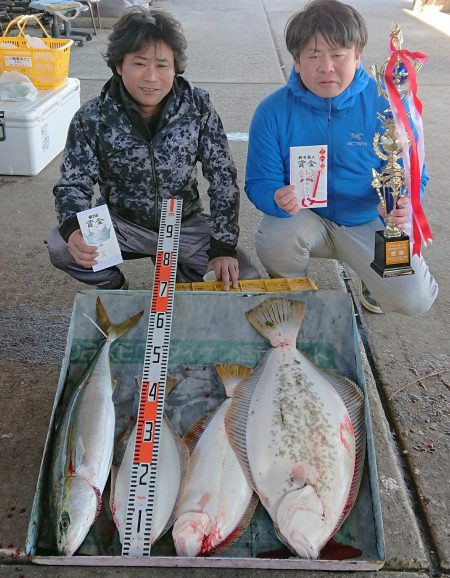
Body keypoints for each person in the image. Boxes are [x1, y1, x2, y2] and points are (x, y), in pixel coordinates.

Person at [245, 0, 438, 315]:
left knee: (414, 301)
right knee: (276, 237)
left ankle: (370, 274)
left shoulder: (389, 106)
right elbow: (259, 181)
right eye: (313, 56)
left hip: (368, 220)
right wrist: (276, 197)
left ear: (358, 56)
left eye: (338, 55)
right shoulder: (272, 111)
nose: (327, 67)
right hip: (307, 217)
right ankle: (294, 290)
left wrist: (404, 204)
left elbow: (416, 175)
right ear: (296, 61)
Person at [46, 7, 258, 290]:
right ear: (120, 65)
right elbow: (73, 184)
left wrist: (223, 246)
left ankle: (187, 276)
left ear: (175, 67)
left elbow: (222, 178)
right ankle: (114, 289)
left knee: (243, 277)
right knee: (61, 246)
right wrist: (73, 229)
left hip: (185, 222)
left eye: (161, 65)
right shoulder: (91, 118)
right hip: (120, 222)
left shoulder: (198, 107)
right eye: (139, 63)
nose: (151, 77)